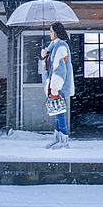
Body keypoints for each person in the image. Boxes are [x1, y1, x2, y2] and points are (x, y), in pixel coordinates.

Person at [42, 21, 75, 149]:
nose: (50, 34)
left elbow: (60, 69)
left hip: (58, 86)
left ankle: (64, 139)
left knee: (59, 112)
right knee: (56, 111)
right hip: (55, 86)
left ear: (56, 32)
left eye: (51, 31)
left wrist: (55, 87)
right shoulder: (55, 46)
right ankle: (58, 138)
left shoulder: (60, 46)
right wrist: (46, 54)